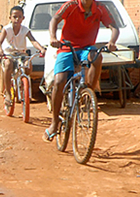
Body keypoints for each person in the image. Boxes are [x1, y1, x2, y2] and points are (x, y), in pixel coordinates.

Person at [43, 0, 118, 142]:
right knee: (59, 81)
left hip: (86, 48)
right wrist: (53, 37)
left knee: (97, 57)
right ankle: (54, 123)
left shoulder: (101, 8)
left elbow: (114, 27)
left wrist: (112, 41)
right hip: (66, 47)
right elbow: (55, 19)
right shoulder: (71, 5)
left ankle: (88, 92)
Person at [0, 6, 45, 107]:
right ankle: (8, 93)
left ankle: (24, 86)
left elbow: (33, 41)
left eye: (19, 17)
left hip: (21, 54)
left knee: (28, 65)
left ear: (23, 18)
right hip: (9, 54)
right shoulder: (6, 29)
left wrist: (41, 49)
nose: (17, 19)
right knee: (8, 64)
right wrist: (0, 50)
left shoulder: (25, 30)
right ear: (10, 18)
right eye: (15, 17)